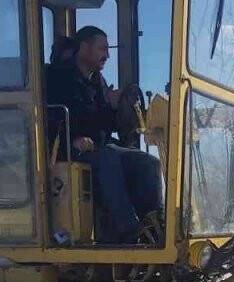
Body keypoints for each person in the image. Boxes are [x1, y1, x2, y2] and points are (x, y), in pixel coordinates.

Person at [46, 26, 162, 244]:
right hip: (65, 149)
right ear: (84, 48)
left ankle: (155, 228)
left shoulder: (97, 81)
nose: (107, 55)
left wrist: (116, 107)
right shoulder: (56, 77)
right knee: (109, 159)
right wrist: (73, 141)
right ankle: (129, 233)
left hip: (99, 145)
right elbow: (47, 119)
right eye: (102, 49)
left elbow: (104, 123)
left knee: (147, 162)